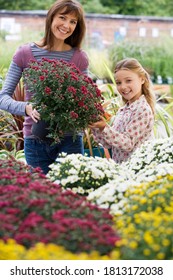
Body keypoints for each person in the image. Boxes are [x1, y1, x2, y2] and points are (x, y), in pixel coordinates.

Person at [0, 0, 89, 174]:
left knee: (72, 196)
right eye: (62, 18)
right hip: (35, 140)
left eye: (73, 22)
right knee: (41, 196)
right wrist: (26, 108)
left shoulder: (79, 57)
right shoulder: (24, 53)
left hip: (70, 139)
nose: (66, 25)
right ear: (51, 18)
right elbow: (2, 97)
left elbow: (85, 99)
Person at [89, 58, 155, 163]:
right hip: (121, 169)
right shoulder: (123, 110)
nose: (123, 87)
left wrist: (104, 127)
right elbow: (109, 143)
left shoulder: (142, 109)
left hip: (135, 169)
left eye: (128, 80)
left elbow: (127, 144)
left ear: (142, 79)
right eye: (118, 83)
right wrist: (98, 127)